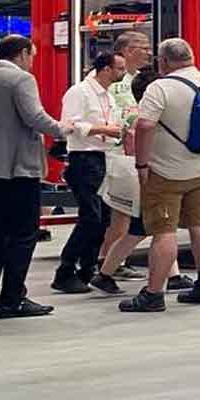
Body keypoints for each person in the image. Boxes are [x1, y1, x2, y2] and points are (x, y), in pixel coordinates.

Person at [0, 35, 92, 318]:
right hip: (18, 167)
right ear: (22, 53)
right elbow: (34, 117)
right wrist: (64, 128)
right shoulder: (20, 79)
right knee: (24, 234)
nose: (32, 62)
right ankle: (13, 298)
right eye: (32, 56)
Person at [121, 37, 200, 313]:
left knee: (164, 231)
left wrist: (142, 164)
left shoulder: (160, 87)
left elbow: (145, 125)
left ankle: (153, 294)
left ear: (164, 61)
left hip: (165, 172)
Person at [51, 49, 129, 294]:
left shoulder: (107, 96)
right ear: (105, 69)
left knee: (102, 219)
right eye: (120, 68)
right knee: (91, 218)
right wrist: (103, 129)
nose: (124, 72)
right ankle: (65, 271)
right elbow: (69, 124)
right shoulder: (80, 92)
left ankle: (87, 270)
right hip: (83, 159)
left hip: (102, 157)